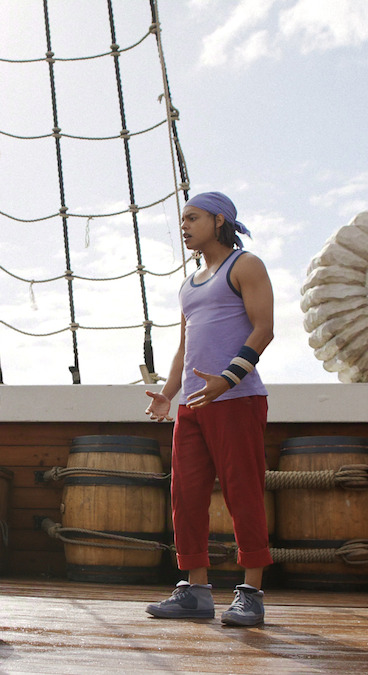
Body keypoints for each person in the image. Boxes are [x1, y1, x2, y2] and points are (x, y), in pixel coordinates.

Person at [142, 192, 274, 627]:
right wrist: (168, 392)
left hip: (236, 399)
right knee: (186, 495)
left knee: (243, 492)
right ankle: (195, 590)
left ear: (220, 220)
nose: (185, 226)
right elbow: (185, 345)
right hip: (194, 406)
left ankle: (251, 593)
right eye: (183, 219)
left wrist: (227, 379)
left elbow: (264, 329)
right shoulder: (189, 283)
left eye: (193, 218)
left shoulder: (246, 265)